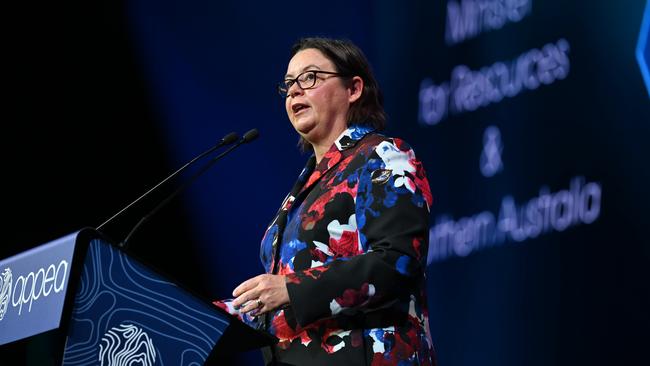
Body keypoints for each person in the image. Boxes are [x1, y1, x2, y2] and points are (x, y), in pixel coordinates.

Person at [215, 36, 436, 365]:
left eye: (310, 77)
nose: (294, 90)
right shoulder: (303, 190)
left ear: (354, 89)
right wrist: (191, 319)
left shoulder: (383, 156)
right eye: (289, 84)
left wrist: (291, 288)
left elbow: (397, 262)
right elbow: (275, 301)